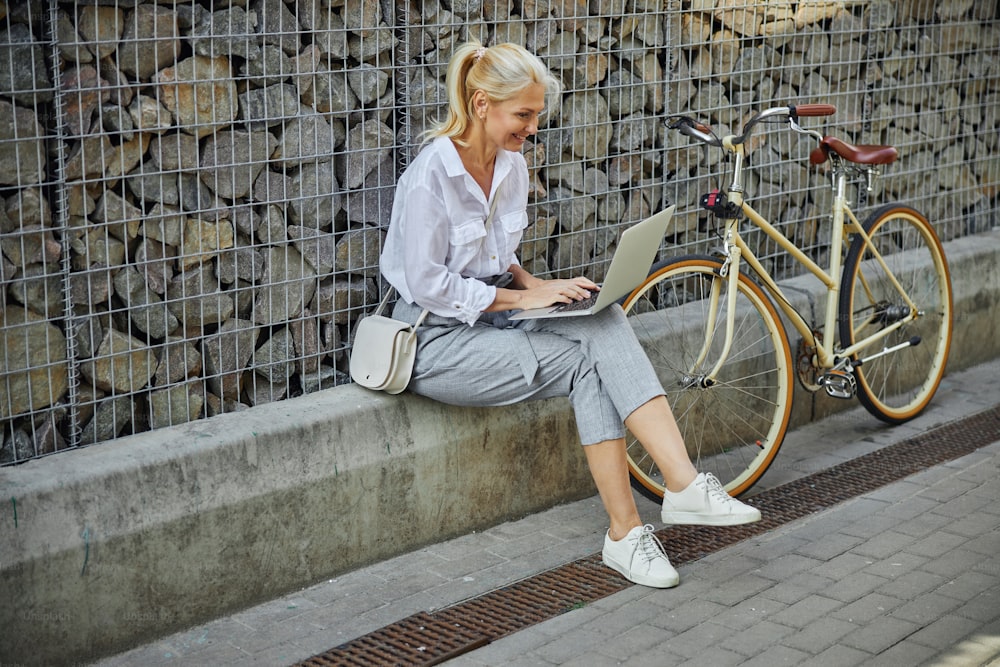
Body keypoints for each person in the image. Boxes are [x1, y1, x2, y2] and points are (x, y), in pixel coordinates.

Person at [379, 40, 760, 589]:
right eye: (524, 114)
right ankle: (627, 533)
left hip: (493, 314)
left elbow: (494, 254)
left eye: (536, 115)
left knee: (602, 317)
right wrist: (519, 299)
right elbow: (428, 283)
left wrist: (540, 285)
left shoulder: (508, 165)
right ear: (482, 104)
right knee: (589, 366)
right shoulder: (430, 177)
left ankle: (681, 487)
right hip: (434, 340)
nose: (532, 127)